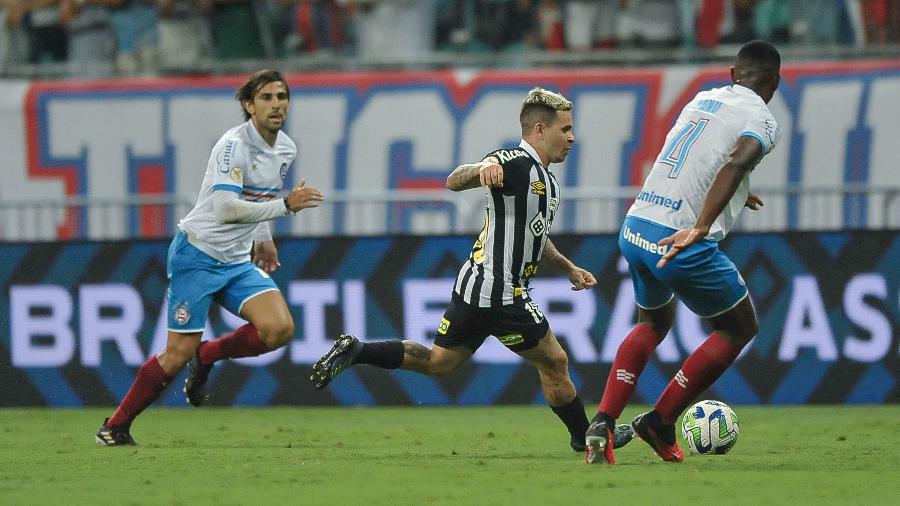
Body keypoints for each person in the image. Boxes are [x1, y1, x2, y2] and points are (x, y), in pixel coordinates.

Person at [309, 87, 633, 454]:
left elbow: (535, 241)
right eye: (566, 129)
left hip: (475, 285)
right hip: (500, 290)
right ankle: (584, 436)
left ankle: (358, 350)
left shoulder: (548, 183)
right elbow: (454, 179)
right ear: (540, 130)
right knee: (555, 360)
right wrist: (482, 168)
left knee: (438, 362)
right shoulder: (513, 161)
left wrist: (569, 268)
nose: (572, 138)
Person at [96, 69, 324, 446]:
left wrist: (264, 237)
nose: (276, 105)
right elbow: (226, 209)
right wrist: (286, 207)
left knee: (279, 329)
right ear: (248, 105)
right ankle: (115, 426)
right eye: (266, 97)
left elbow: (259, 196)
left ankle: (207, 355)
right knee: (174, 354)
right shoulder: (233, 146)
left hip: (236, 261)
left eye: (282, 97)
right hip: (198, 254)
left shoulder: (286, 148)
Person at [584, 40, 782, 465]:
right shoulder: (763, 119)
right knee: (738, 328)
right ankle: (660, 419)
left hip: (636, 226)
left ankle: (602, 422)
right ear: (775, 83)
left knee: (653, 321)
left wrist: (735, 193)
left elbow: (697, 155)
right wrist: (703, 224)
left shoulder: (703, 98)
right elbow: (734, 163)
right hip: (680, 238)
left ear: (733, 73)